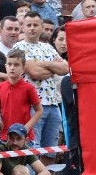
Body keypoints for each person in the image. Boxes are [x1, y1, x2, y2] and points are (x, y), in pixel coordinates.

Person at [12, 11, 68, 163]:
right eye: (28, 25)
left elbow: (65, 68)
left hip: (53, 103)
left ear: (42, 27)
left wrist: (45, 64)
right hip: (33, 104)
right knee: (33, 148)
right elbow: (34, 72)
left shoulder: (48, 47)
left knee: (50, 150)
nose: (32, 28)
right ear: (23, 27)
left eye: (35, 25)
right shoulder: (19, 47)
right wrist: (52, 68)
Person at [0, 48, 43, 142]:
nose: (12, 67)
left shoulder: (29, 88)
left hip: (24, 138)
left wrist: (26, 128)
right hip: (5, 137)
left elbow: (39, 110)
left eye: (16, 65)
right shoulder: (0, 86)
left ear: (23, 68)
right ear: (5, 66)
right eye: (9, 64)